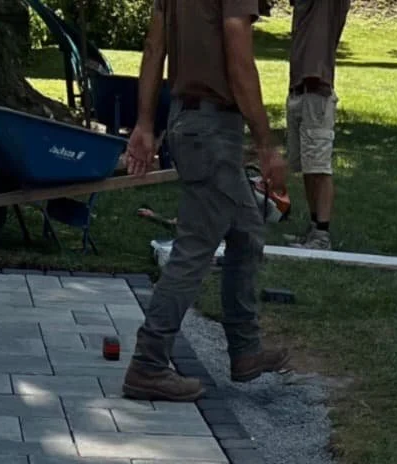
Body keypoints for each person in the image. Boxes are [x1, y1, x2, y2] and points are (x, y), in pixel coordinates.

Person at [121, 0, 289, 401]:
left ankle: (245, 350)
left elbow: (153, 47)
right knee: (194, 249)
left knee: (246, 231)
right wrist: (266, 145)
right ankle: (148, 364)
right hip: (211, 129)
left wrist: (145, 122)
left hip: (188, 120)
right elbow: (239, 55)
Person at [285, 0, 350, 251]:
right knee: (307, 165)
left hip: (317, 92)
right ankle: (314, 228)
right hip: (298, 88)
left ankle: (322, 235)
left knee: (319, 167)